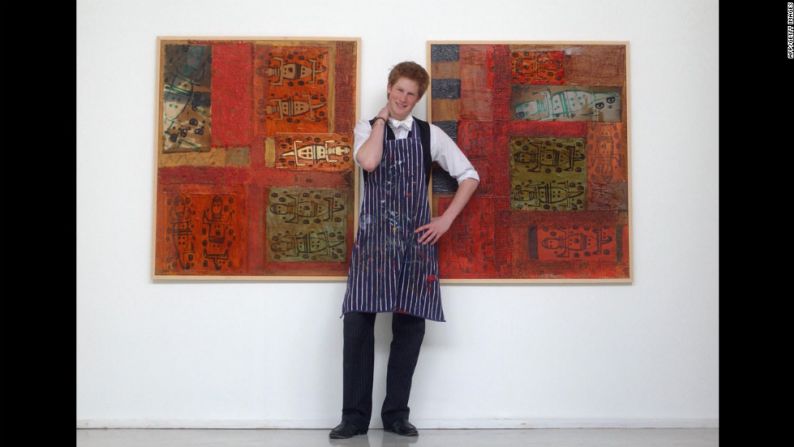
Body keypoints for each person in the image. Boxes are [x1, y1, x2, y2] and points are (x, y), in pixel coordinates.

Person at [329, 61, 480, 439]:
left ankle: (396, 413)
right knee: (358, 326)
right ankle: (354, 417)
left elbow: (469, 176)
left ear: (419, 98)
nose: (403, 98)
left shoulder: (431, 135)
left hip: (415, 246)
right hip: (373, 244)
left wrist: (444, 221)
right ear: (389, 88)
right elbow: (368, 161)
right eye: (399, 90)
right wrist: (380, 122)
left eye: (411, 94)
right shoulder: (367, 129)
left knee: (410, 328)